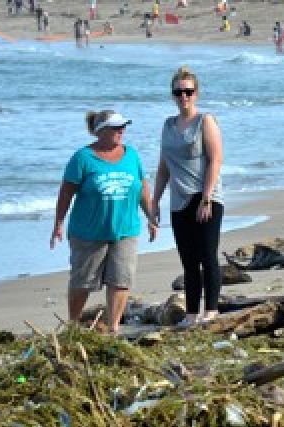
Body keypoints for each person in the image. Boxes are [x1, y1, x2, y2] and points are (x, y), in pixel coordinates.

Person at [51, 110, 156, 334]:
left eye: (123, 126)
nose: (121, 131)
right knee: (83, 282)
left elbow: (142, 188)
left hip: (126, 229)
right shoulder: (82, 158)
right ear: (100, 131)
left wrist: (152, 217)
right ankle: (74, 326)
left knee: (121, 280)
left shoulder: (132, 155)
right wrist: (58, 223)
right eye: (116, 127)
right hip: (89, 233)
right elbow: (66, 193)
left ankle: (114, 327)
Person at [152, 66, 225, 329]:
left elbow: (216, 160)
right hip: (179, 200)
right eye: (178, 92)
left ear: (196, 93)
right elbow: (163, 168)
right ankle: (191, 313)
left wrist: (206, 198)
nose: (183, 97)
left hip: (205, 197)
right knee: (188, 260)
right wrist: (154, 201)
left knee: (207, 255)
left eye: (188, 92)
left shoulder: (205, 121)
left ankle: (212, 309)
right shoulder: (168, 125)